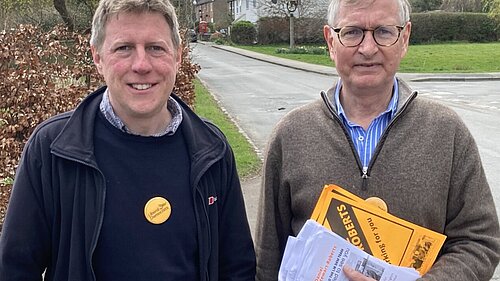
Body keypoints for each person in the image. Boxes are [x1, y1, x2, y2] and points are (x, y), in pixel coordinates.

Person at [0, 0, 256, 280]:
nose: (142, 64)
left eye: (156, 48)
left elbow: (237, 268)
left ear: (178, 56)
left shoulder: (212, 151)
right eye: (124, 48)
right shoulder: (52, 150)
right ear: (97, 57)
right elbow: (15, 269)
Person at [255, 0, 500, 280]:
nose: (368, 48)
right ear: (330, 41)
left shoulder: (448, 132)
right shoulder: (290, 136)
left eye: (383, 31)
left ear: (404, 38)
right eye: (352, 32)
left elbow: (480, 241)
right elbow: (267, 259)